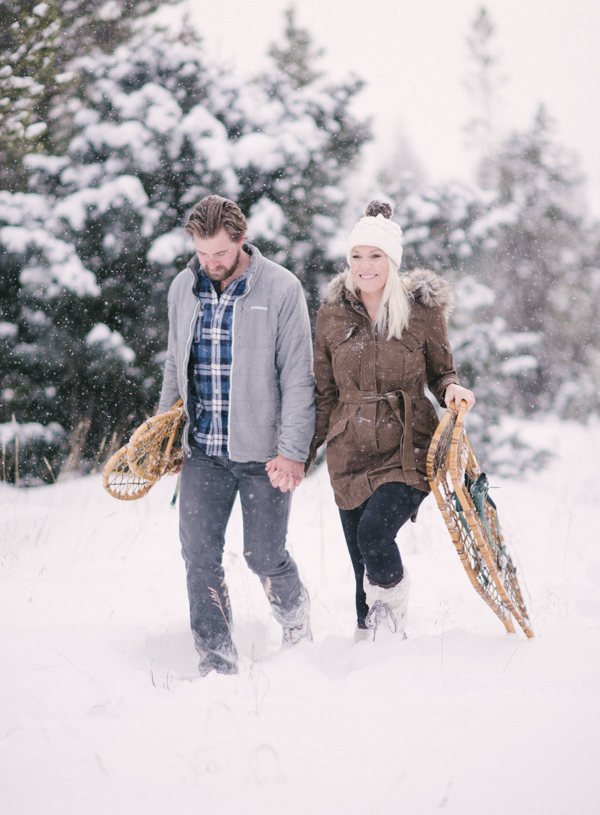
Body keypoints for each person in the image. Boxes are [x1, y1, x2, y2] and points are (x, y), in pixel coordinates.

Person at [158, 195, 315, 676]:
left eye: (220, 254)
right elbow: (172, 364)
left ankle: (295, 617)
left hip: (262, 453)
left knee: (263, 555)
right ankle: (217, 662)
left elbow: (297, 376)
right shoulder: (184, 288)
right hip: (202, 449)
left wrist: (292, 452)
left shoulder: (282, 288)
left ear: (241, 240)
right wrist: (164, 432)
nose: (210, 264)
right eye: (202, 254)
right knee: (199, 557)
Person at [308, 200, 475, 640]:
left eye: (376, 255)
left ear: (392, 260)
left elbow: (442, 373)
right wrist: (299, 454)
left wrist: (452, 390)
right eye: (357, 256)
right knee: (359, 558)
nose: (365, 266)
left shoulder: (421, 312)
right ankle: (369, 640)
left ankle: (392, 618)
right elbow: (324, 394)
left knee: (374, 536)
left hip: (407, 444)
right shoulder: (331, 316)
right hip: (349, 449)